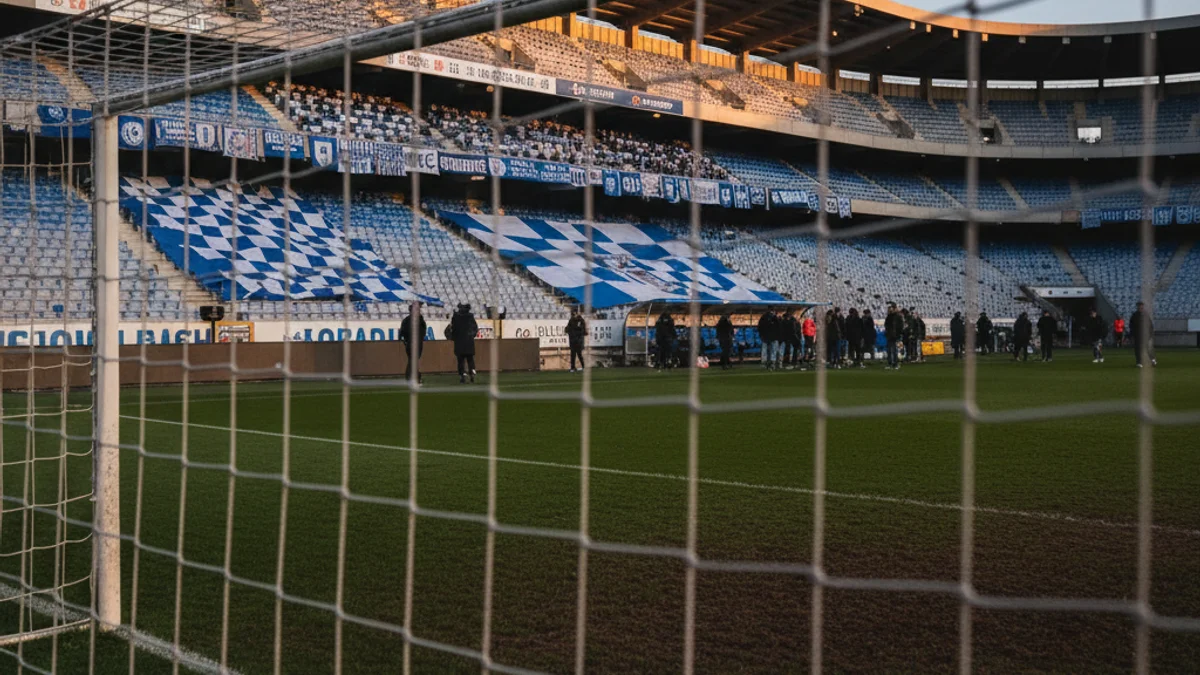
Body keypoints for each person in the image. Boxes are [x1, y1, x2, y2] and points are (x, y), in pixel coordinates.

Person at [450, 303, 479, 384]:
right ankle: (472, 372)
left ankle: (462, 375)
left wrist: (453, 337)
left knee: (460, 360)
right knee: (470, 359)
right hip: (469, 341)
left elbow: (453, 329)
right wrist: (471, 336)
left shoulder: (456, 317)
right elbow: (475, 328)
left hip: (459, 341)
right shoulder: (470, 317)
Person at [400, 303, 427, 384]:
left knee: (412, 361)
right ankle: (414, 377)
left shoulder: (416, 320)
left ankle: (413, 377)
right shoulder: (414, 320)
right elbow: (403, 333)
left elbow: (402, 333)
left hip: (415, 343)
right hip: (413, 343)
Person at [1130, 301, 1156, 368]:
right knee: (1137, 349)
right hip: (1137, 335)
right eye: (1138, 306)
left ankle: (1152, 359)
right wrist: (1132, 334)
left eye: (1141, 306)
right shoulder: (1134, 315)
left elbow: (1150, 326)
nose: (1140, 307)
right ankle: (1139, 362)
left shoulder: (1146, 315)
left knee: (1146, 348)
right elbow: (1131, 325)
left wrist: (1150, 334)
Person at [566, 308, 587, 373]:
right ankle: (572, 367)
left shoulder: (580, 320)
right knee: (573, 355)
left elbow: (582, 330)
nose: (573, 315)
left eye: (574, 313)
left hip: (578, 340)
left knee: (579, 354)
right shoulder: (571, 320)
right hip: (573, 340)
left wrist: (575, 331)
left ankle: (584, 367)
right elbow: (567, 328)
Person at [884, 304, 904, 370]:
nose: (890, 309)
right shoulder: (889, 316)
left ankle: (896, 364)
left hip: (896, 336)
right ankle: (890, 363)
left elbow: (901, 326)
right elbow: (886, 325)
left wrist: (898, 333)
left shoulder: (898, 316)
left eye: (891, 308)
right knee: (889, 351)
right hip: (889, 335)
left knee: (895, 350)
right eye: (889, 308)